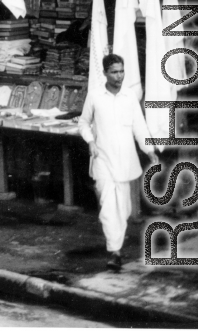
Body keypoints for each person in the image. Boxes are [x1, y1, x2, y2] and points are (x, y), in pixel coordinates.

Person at [78, 53, 157, 271]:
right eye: (114, 71)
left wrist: (149, 150)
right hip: (102, 158)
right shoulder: (95, 96)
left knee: (123, 208)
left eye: (121, 71)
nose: (119, 75)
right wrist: (91, 141)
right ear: (104, 73)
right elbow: (83, 123)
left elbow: (139, 127)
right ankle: (114, 252)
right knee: (108, 207)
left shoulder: (130, 96)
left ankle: (116, 246)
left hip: (125, 160)